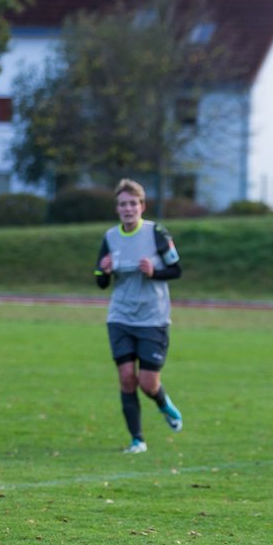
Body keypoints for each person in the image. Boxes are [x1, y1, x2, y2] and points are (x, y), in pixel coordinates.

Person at [95, 178, 184, 453]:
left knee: (147, 383)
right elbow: (99, 280)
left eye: (133, 203)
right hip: (120, 317)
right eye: (123, 204)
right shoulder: (111, 237)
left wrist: (154, 272)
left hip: (153, 318)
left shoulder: (157, 233)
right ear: (117, 209)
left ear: (142, 206)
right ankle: (137, 439)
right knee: (125, 378)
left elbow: (177, 270)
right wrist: (104, 270)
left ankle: (163, 403)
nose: (128, 208)